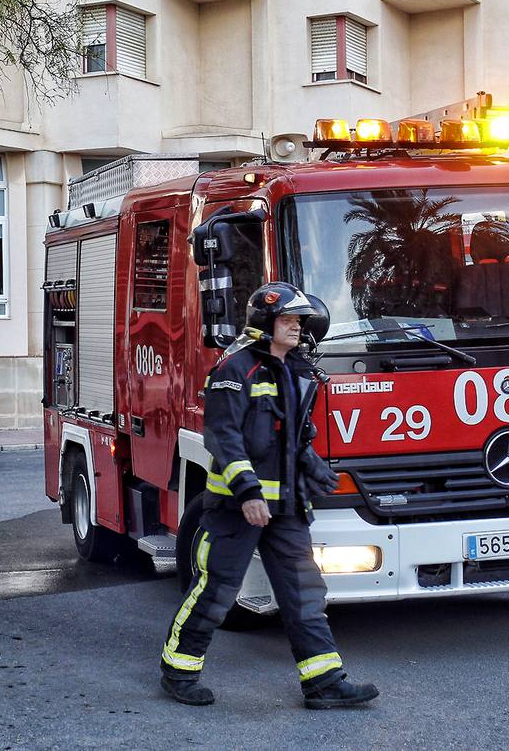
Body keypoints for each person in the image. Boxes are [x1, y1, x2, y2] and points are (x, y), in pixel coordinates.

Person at [159, 282, 378, 710]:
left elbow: (293, 436)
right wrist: (247, 492)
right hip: (237, 510)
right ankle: (178, 672)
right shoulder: (234, 371)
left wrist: (312, 465)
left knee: (304, 594)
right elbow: (223, 438)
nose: (298, 327)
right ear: (266, 323)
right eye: (290, 320)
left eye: (300, 320)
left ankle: (324, 682)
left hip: (288, 510)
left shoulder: (294, 371)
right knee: (215, 590)